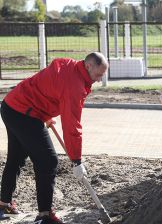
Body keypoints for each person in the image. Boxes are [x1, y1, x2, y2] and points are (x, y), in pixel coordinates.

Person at [0, 52, 108, 224]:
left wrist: (45, 112)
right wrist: (77, 160)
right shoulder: (75, 86)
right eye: (98, 74)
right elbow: (71, 126)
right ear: (88, 66)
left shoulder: (70, 65)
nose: (99, 79)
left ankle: (3, 203)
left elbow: (47, 83)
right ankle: (44, 215)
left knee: (17, 157)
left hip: (11, 106)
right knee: (48, 161)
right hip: (24, 113)